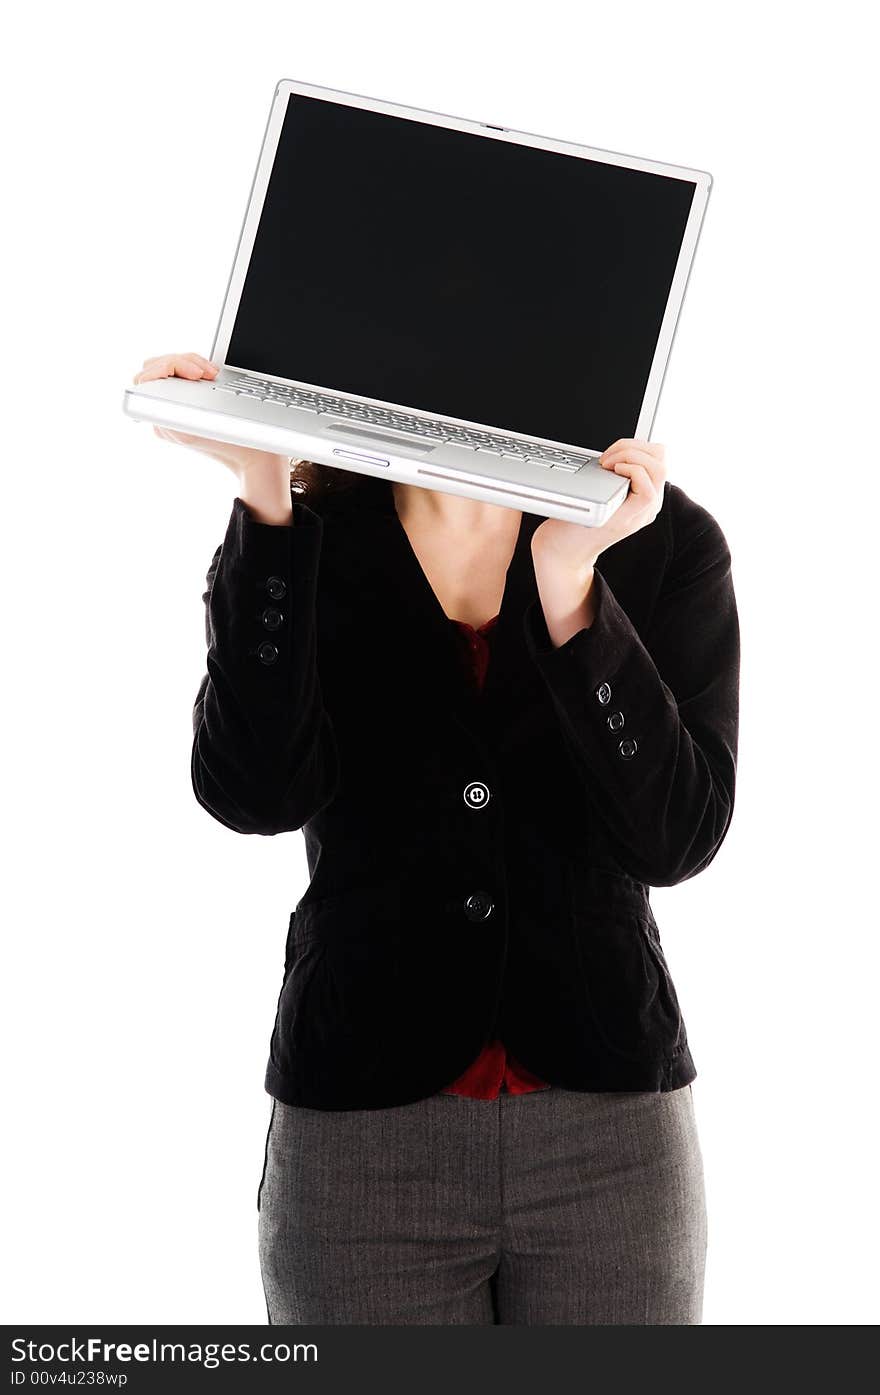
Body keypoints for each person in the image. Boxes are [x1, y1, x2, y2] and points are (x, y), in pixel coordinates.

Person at [133, 351, 740, 1326]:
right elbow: (251, 792)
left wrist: (572, 589)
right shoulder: (301, 537)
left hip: (608, 1135)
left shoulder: (662, 545)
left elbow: (674, 838)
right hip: (361, 1134)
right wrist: (264, 492)